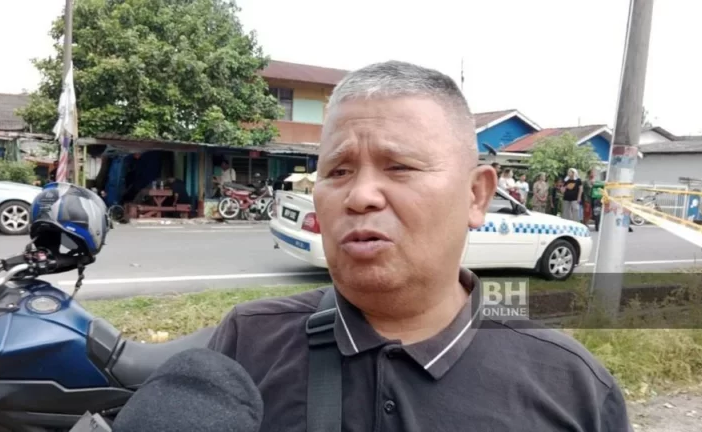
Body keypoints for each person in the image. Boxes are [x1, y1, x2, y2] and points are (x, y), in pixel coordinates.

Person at [206, 61, 631, 431]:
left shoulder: (572, 388)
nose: (360, 196)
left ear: (475, 195)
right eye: (337, 171)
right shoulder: (249, 344)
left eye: (399, 167)